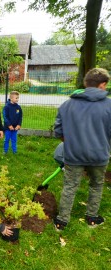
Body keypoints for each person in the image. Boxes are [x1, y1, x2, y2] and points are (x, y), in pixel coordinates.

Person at [53, 68, 111, 231]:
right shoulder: (109, 105)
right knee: (96, 185)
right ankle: (92, 218)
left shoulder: (67, 105)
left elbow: (58, 131)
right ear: (102, 85)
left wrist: (71, 143)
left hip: (74, 154)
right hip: (100, 155)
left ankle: (61, 222)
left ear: (86, 83)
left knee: (70, 186)